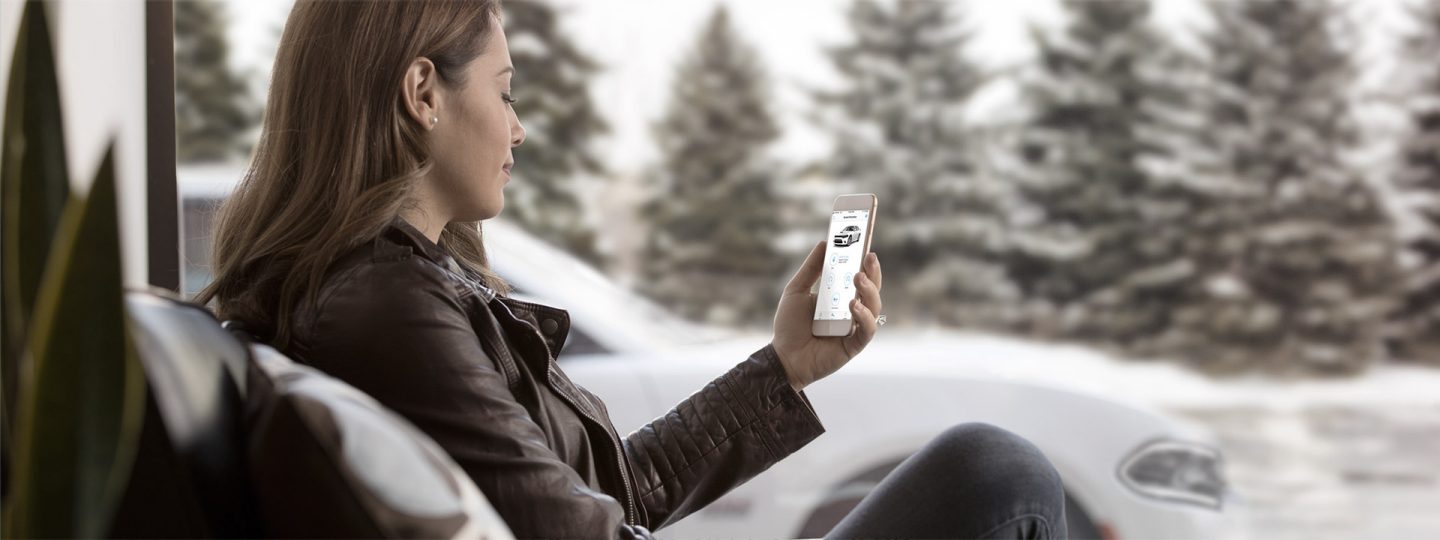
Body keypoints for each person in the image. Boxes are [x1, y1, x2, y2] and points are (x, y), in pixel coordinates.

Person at [195, 1, 1066, 538]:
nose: (518, 129)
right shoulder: (384, 310)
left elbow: (613, 491)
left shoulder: (394, 291)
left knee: (985, 470)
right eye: (505, 91)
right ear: (422, 94)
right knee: (993, 474)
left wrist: (786, 366)